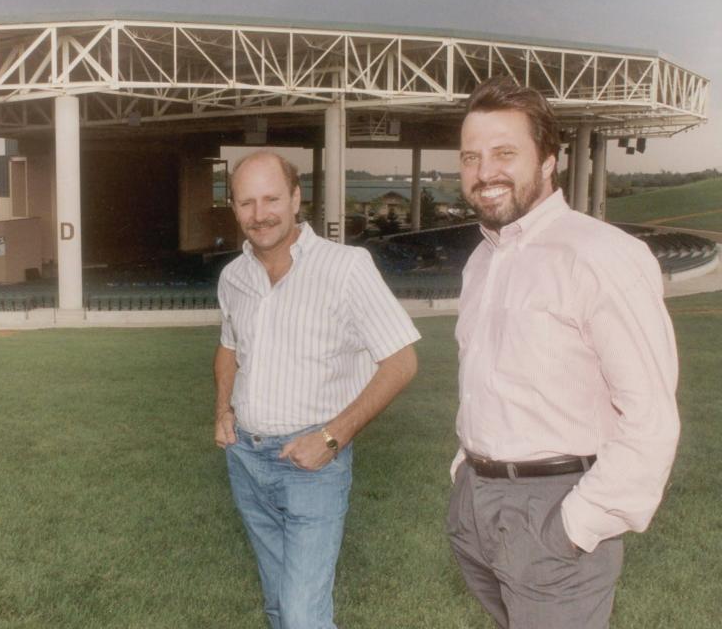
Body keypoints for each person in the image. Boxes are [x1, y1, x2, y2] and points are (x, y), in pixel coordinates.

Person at [448, 76, 680, 629]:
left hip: (556, 508)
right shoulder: (482, 261)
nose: (485, 172)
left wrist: (578, 523)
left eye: (505, 153)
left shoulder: (601, 255)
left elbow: (650, 416)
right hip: (477, 506)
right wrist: (464, 475)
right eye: (471, 157)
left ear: (549, 160)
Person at [214, 150, 420, 629]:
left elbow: (401, 361)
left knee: (304, 616)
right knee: (278, 606)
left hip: (312, 464)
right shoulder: (234, 277)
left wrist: (332, 438)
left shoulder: (346, 267)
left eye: (271, 199)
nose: (259, 214)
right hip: (246, 458)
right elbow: (229, 347)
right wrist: (222, 409)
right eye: (247, 202)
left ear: (296, 198)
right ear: (234, 208)